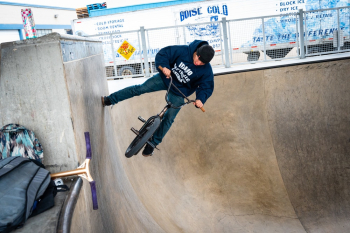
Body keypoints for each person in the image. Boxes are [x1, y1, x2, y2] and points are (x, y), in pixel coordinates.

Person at [101, 40, 215, 157]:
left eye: (202, 64)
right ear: (197, 53)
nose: (198, 63)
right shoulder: (183, 50)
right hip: (165, 79)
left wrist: (201, 99)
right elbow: (163, 54)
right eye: (198, 60)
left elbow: (207, 87)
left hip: (180, 92)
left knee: (169, 117)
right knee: (140, 89)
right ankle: (110, 99)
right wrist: (165, 67)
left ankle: (152, 144)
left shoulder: (206, 70)